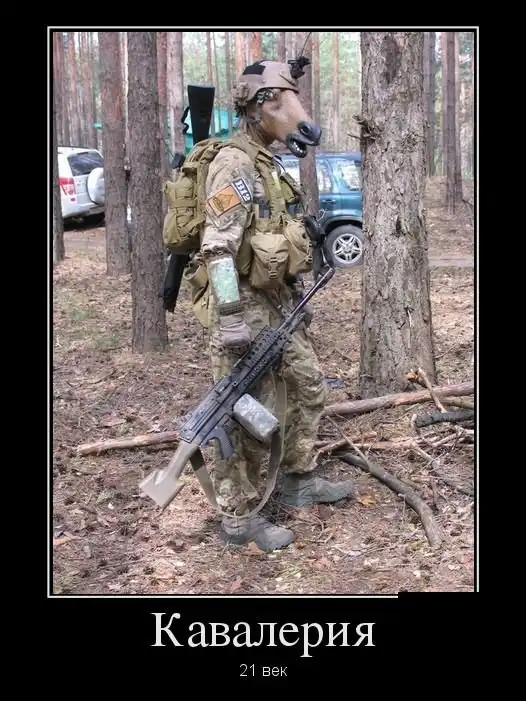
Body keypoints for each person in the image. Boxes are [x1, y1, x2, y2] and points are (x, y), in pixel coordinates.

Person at [187, 59, 356, 551]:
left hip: (276, 306)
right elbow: (217, 246)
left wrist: (293, 296)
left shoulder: (267, 163)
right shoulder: (234, 163)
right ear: (260, 106)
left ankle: (297, 481)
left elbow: (274, 237)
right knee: (242, 413)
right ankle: (238, 518)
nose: (293, 113)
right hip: (241, 307)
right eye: (281, 102)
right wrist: (230, 317)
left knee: (308, 386)